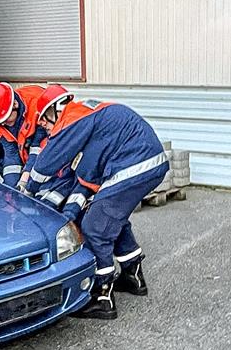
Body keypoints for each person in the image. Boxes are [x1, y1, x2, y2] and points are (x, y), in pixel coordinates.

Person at [24, 101, 167, 320]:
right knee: (112, 219)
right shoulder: (90, 118)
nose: (42, 123)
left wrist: (28, 190)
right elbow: (87, 179)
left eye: (43, 117)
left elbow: (46, 164)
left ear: (56, 108)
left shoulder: (71, 120)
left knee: (95, 227)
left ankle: (102, 298)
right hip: (149, 162)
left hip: (135, 165)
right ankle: (133, 276)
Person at [0, 82, 44, 189]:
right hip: (24, 157)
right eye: (0, 122)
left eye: (6, 120)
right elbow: (11, 155)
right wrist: (11, 190)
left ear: (15, 105)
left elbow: (38, 147)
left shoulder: (37, 104)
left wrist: (24, 178)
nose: (3, 124)